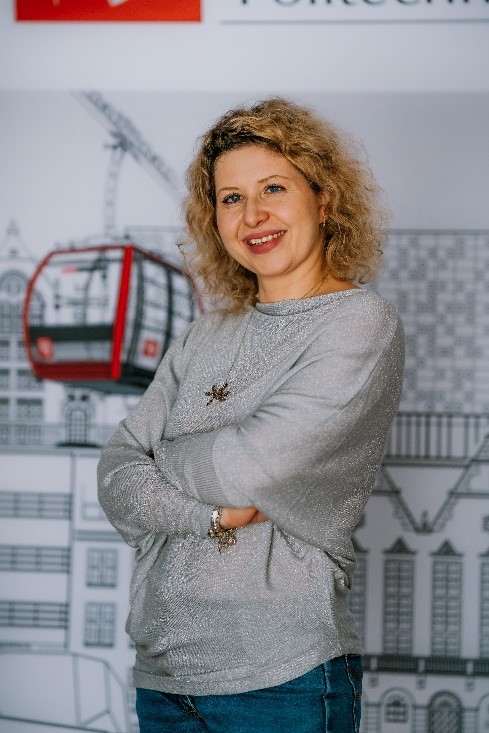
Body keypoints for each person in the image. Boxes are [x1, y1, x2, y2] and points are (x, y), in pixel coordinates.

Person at [97, 97, 404, 733]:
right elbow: (115, 472)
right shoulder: (203, 335)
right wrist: (203, 512)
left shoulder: (359, 322)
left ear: (323, 198)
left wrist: (163, 457)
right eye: (231, 197)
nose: (253, 215)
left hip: (282, 680)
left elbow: (252, 467)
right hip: (161, 679)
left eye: (273, 188)